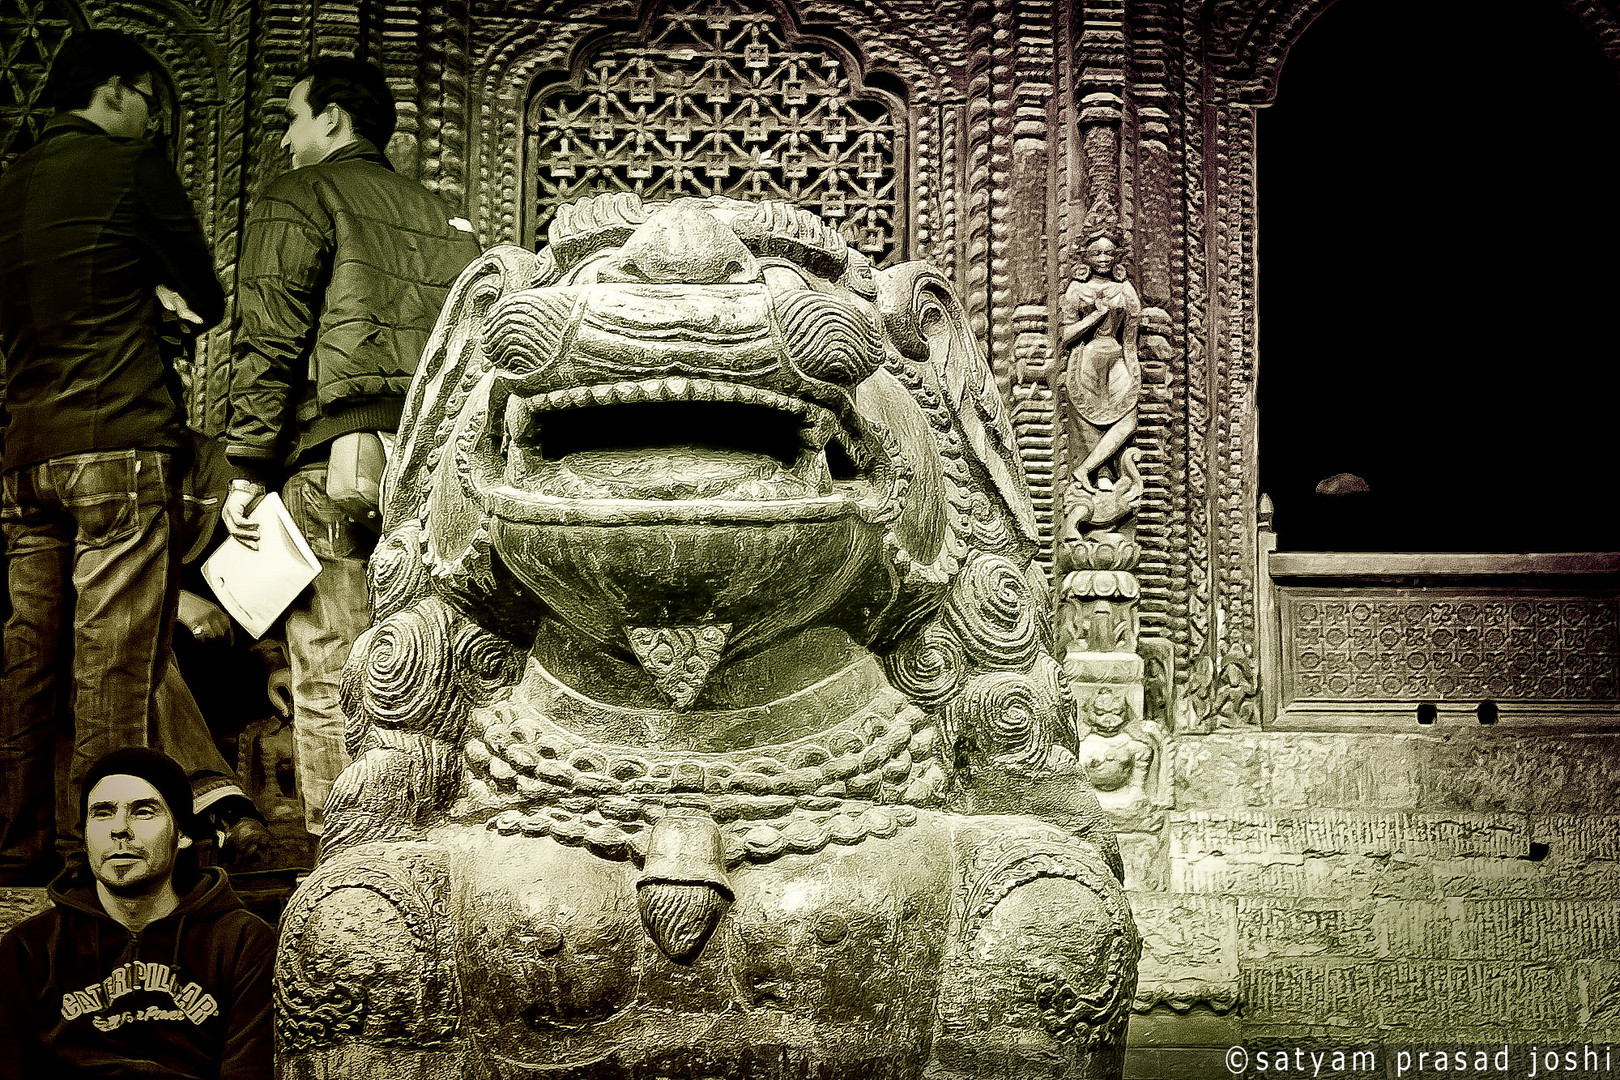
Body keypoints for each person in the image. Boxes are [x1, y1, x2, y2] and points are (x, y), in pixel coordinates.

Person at [223, 57, 479, 836]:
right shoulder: (447, 220)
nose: (287, 138)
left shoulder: (300, 195)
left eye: (293, 118)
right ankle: (420, 846)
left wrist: (245, 469)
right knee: (429, 664)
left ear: (333, 117)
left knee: (330, 667)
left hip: (331, 460)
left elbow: (269, 335)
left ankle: (342, 863)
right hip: (432, 474)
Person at [0, 29, 226, 884]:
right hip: (118, 442)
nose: (148, 121)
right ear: (118, 92)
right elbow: (203, 291)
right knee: (112, 663)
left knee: (29, 657)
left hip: (25, 455)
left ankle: (14, 848)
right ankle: (95, 862)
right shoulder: (128, 170)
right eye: (146, 104)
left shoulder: (10, 184)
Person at [0, 748, 275, 1079]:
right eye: (102, 813)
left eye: (143, 811)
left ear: (183, 833)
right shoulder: (30, 948)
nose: (120, 829)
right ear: (85, 836)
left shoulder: (242, 941)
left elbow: (248, 1071)